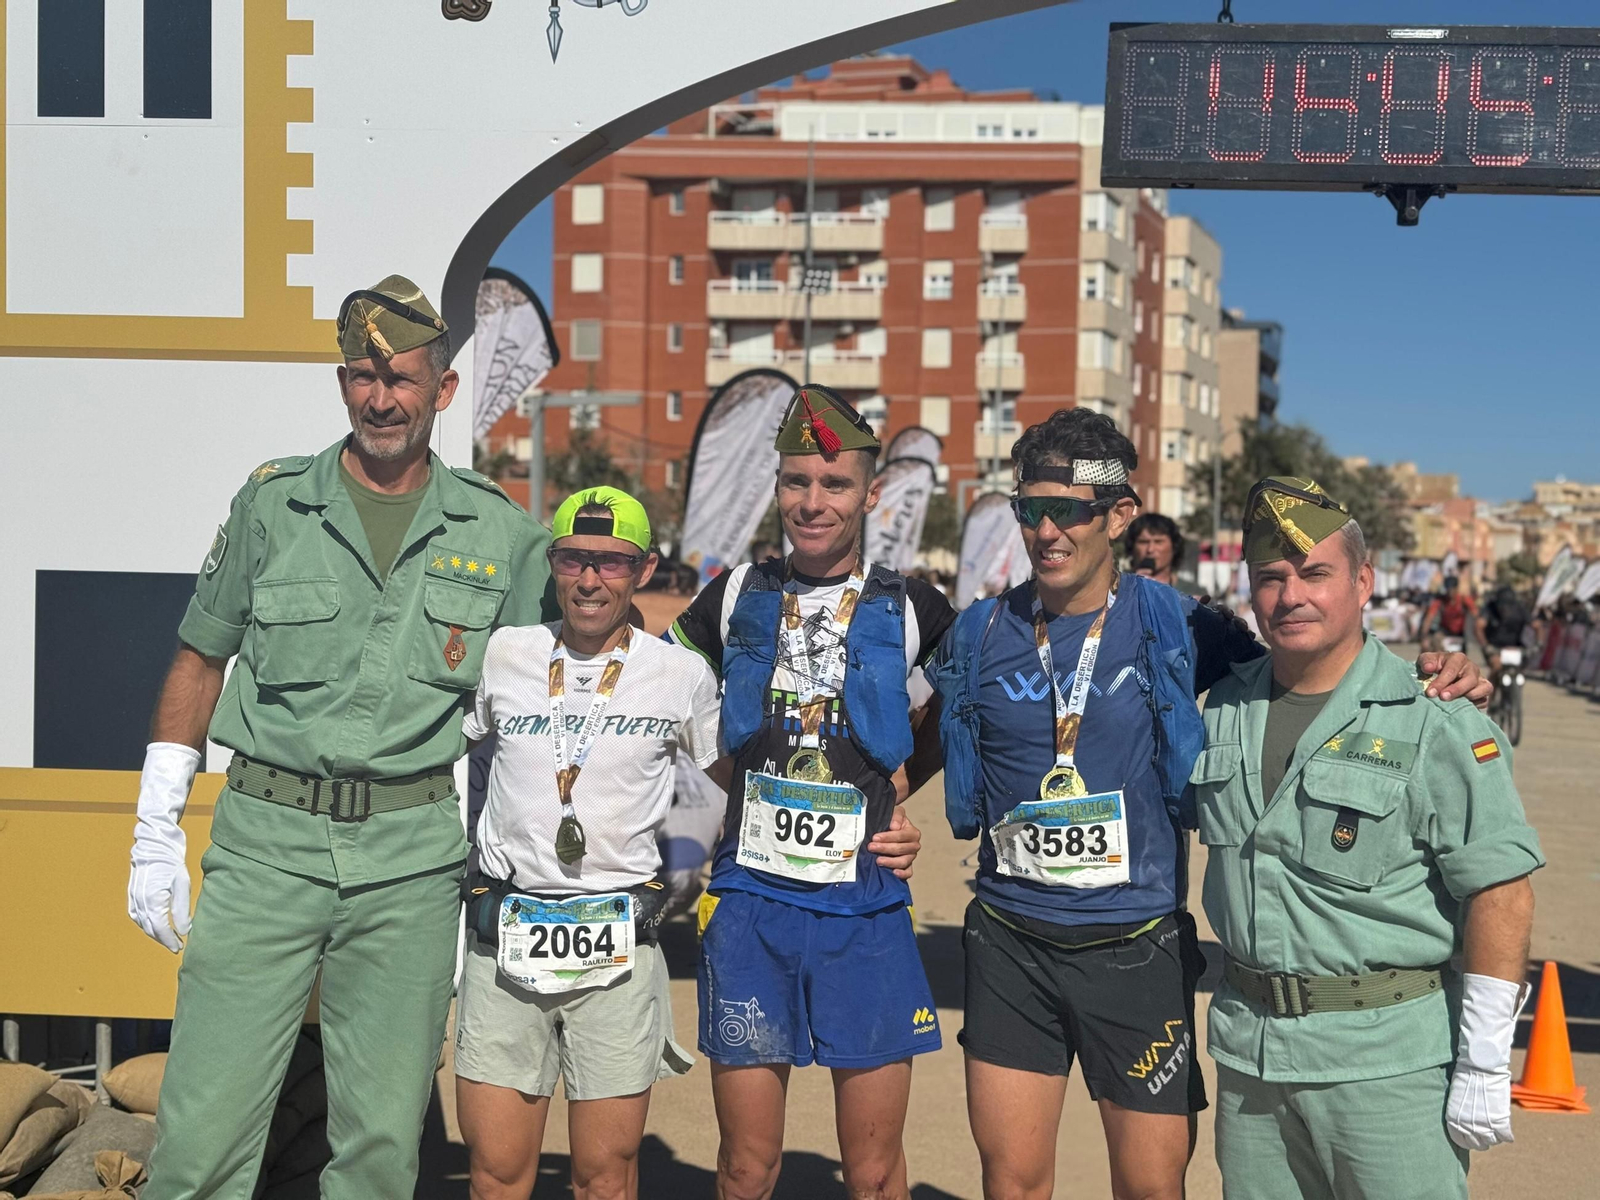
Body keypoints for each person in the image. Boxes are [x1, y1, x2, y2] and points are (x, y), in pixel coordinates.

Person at [926, 413, 1488, 1200]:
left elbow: (1307, 667)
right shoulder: (984, 630)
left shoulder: (1182, 625)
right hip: (1010, 942)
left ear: (1120, 515)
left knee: (1153, 1190)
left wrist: (1433, 674)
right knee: (1011, 1184)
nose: (1047, 531)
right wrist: (884, 802)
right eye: (1030, 511)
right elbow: (922, 737)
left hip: (1137, 949)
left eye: (1071, 512)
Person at [127, 277, 553, 1198]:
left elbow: (536, 712)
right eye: (363, 376)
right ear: (341, 381)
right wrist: (156, 825)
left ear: (441, 390)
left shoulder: (503, 534)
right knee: (199, 1146)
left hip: (409, 864)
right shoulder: (273, 506)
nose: (381, 398)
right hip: (264, 847)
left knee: (378, 1158)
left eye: (401, 378)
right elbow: (201, 662)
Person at [1197, 476, 1543, 1200]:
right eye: (1270, 578)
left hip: (1386, 1069)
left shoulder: (1434, 715)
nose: (1291, 595)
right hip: (1250, 1063)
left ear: (1363, 582)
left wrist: (1483, 1058)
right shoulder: (1222, 707)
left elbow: (1500, 889)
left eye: (1315, 573)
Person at [667, 385, 947, 1200]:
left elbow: (965, 714)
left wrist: (903, 799)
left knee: (873, 1171)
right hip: (751, 904)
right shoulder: (730, 596)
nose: (812, 502)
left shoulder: (916, 608)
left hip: (864, 910)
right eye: (796, 482)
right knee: (746, 1168)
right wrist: (730, 783)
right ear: (777, 486)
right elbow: (661, 686)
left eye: (832, 484)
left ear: (871, 493)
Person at [455, 487, 717, 1200]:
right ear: (553, 563)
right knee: (497, 1175)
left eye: (611, 561)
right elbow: (441, 753)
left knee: (605, 1178)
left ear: (643, 569)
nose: (591, 579)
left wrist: (676, 885)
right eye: (574, 559)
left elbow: (716, 784)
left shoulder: (680, 674)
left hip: (616, 948)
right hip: (506, 941)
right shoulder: (506, 654)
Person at [1124, 510, 1185, 587]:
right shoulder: (1119, 587)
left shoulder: (1193, 592)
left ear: (1174, 546)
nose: (1150, 549)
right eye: (1143, 542)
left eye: (1158, 542)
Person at [1421, 574, 1479, 652]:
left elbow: (1476, 614)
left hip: (1461, 633)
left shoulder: (1464, 600)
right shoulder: (1440, 601)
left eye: (1452, 589)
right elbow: (1429, 618)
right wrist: (1424, 637)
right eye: (1448, 589)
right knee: (1435, 640)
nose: (1450, 592)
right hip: (1445, 631)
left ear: (1456, 588)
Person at [1479, 583, 1530, 669]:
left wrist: (1539, 644)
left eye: (1508, 605)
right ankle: (1491, 681)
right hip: (1494, 648)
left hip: (1514, 648)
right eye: (1502, 604)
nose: (1504, 608)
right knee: (1496, 665)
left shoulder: (1520, 609)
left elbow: (1537, 625)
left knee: (1521, 666)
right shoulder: (1490, 608)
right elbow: (1479, 626)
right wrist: (1486, 645)